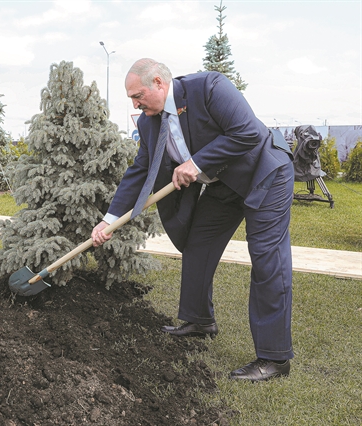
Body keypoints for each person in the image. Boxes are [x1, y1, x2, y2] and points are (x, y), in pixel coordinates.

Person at [91, 58, 294, 382]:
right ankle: (199, 321)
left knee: (267, 257)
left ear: (159, 82)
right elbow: (140, 171)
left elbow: (247, 132)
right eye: (131, 98)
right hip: (224, 186)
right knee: (199, 244)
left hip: (265, 173)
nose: (135, 103)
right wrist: (109, 219)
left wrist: (196, 162)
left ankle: (275, 358)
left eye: (137, 95)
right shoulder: (148, 122)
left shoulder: (209, 88)